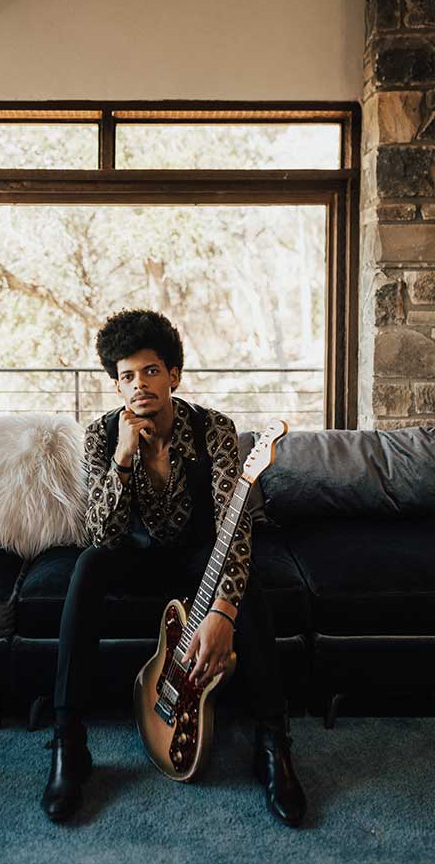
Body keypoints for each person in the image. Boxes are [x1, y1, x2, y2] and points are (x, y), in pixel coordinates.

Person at [41, 308, 306, 826]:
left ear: (174, 375)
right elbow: (102, 534)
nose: (138, 385)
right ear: (116, 385)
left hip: (199, 557)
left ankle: (272, 743)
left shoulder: (215, 430)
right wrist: (121, 459)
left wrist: (222, 610)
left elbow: (237, 524)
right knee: (90, 565)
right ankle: (70, 743)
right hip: (134, 556)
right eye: (126, 376)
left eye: (150, 371)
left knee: (249, 589)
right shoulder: (99, 436)